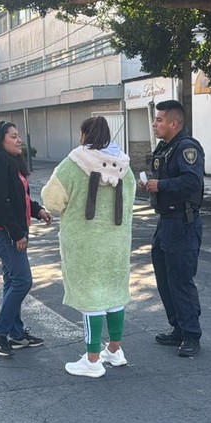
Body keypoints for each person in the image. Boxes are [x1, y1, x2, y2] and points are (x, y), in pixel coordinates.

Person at [41, 116, 135, 378]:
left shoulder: (74, 164)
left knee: (90, 297)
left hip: (84, 243)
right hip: (116, 242)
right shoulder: (124, 166)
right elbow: (130, 201)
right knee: (114, 293)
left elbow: (52, 200)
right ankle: (115, 351)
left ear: (84, 134)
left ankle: (93, 359)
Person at [0, 121, 52, 357]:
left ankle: (16, 333)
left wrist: (37, 210)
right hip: (3, 231)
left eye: (19, 136)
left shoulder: (9, 162)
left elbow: (18, 198)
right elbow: (0, 202)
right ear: (1, 140)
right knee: (22, 280)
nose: (19, 140)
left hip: (13, 229)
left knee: (12, 281)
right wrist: (17, 233)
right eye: (14, 137)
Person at [141, 99, 206, 358]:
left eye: (159, 120)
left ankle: (191, 335)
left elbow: (192, 181)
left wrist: (161, 186)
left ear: (174, 123)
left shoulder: (187, 148)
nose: (155, 124)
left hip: (182, 222)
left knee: (180, 279)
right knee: (164, 278)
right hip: (165, 221)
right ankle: (177, 328)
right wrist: (152, 184)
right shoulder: (166, 147)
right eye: (155, 119)